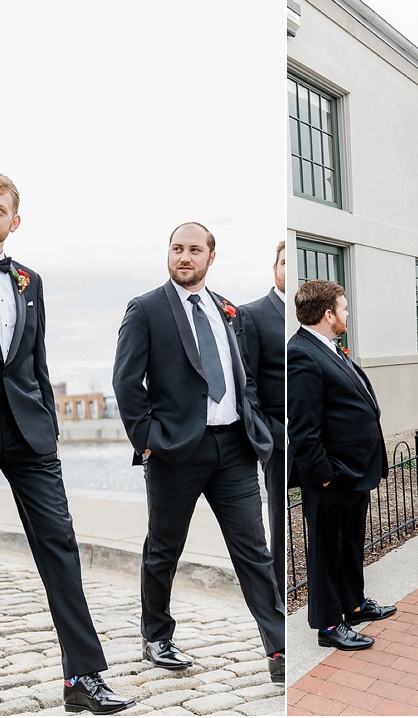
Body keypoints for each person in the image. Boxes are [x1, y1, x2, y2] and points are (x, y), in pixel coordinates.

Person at [0, 175, 133, 715]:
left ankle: (82, 676)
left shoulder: (30, 280)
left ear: (14, 220)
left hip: (29, 433)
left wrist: (49, 425)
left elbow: (36, 360)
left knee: (60, 548)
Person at [112, 222, 285, 683]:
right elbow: (126, 384)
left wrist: (254, 425)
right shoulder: (146, 309)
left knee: (254, 551)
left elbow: (243, 377)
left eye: (193, 250)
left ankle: (278, 645)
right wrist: (149, 440)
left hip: (233, 448)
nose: (184, 257)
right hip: (175, 452)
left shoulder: (229, 311)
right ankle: (157, 635)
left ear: (211, 257)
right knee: (164, 549)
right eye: (176, 249)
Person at [288, 280, 396, 650]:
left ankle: (353, 604)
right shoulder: (301, 354)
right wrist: (325, 478)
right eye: (344, 309)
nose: (348, 314)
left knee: (349, 544)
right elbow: (303, 429)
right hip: (332, 476)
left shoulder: (327, 347)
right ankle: (329, 625)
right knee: (326, 551)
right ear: (328, 314)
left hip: (354, 472)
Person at [239, 241, 287, 605]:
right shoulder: (252, 314)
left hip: (318, 434)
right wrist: (271, 432)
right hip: (281, 436)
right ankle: (281, 594)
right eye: (285, 262)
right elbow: (248, 383)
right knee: (280, 520)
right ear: (275, 269)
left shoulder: (313, 315)